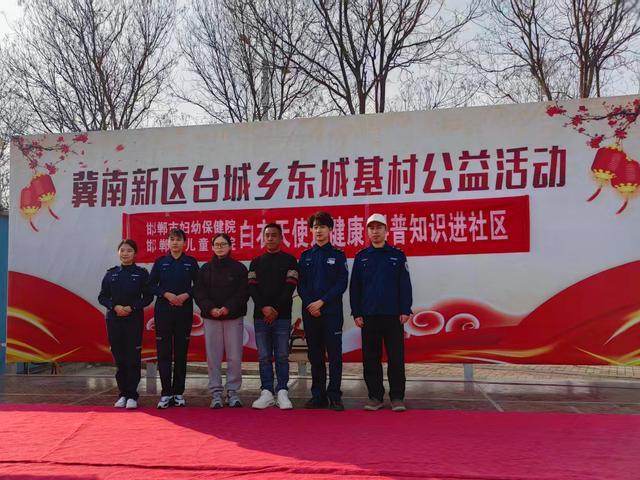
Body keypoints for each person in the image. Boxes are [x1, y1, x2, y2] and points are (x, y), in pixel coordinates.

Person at [349, 213, 413, 412]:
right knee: (371, 358)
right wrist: (356, 313)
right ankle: (375, 396)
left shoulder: (397, 255)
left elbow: (405, 284)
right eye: (371, 228)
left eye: (379, 228)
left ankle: (397, 397)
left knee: (396, 358)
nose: (375, 232)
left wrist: (405, 309)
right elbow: (355, 288)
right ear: (367, 232)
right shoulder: (361, 257)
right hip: (369, 316)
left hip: (393, 315)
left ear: (386, 231)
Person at [298, 211, 348, 411]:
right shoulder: (305, 257)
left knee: (334, 355)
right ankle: (317, 395)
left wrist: (322, 302)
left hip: (332, 312)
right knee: (315, 355)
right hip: (311, 313)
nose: (318, 230)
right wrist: (311, 304)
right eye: (315, 227)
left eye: (322, 226)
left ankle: (334, 395)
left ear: (330, 230)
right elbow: (301, 285)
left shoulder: (338, 255)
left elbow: (341, 283)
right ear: (311, 230)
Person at [194, 233, 248, 409]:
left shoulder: (239, 268)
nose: (220, 247)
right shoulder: (205, 269)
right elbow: (199, 293)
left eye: (223, 244)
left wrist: (227, 308)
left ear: (230, 246)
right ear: (212, 247)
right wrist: (211, 308)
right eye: (216, 244)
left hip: (233, 317)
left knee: (234, 356)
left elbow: (243, 292)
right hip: (211, 318)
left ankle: (233, 391)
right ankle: (216, 393)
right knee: (213, 357)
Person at [98, 239, 153, 409]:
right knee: (120, 359)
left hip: (133, 320)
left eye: (129, 250)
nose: (125, 253)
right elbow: (102, 297)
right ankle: (122, 394)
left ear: (135, 254)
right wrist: (114, 306)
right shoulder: (111, 274)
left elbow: (148, 297)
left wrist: (132, 307)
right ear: (118, 253)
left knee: (133, 358)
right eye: (122, 250)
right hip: (114, 320)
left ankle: (132, 396)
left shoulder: (141, 274)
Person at [248, 223, 298, 410]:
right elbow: (252, 288)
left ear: (281, 238)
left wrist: (275, 309)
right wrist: (264, 308)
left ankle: (282, 391)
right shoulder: (256, 262)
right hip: (260, 317)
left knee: (282, 355)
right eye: (267, 235)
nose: (270, 238)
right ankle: (267, 392)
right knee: (264, 356)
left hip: (282, 317)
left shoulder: (290, 261)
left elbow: (290, 287)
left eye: (274, 235)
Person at [149, 228, 200, 409]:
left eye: (178, 239)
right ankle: (165, 393)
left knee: (180, 353)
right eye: (171, 239)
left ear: (185, 243)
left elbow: (199, 285)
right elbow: (151, 285)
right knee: (163, 353)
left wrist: (187, 295)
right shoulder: (161, 262)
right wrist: (166, 294)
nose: (175, 242)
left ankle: (178, 393)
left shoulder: (190, 262)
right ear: (167, 242)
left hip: (184, 312)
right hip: (163, 312)